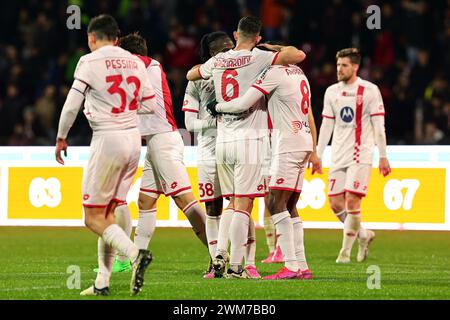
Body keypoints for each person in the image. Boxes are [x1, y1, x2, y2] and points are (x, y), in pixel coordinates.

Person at [187, 16, 306, 278]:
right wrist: (270, 50)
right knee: (244, 204)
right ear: (258, 39)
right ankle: (238, 266)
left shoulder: (218, 60)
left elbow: (191, 74)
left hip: (222, 141)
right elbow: (298, 55)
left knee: (231, 203)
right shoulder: (258, 57)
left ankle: (218, 253)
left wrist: (211, 67)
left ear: (235, 33)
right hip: (249, 140)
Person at [55, 15, 155, 296]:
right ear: (117, 37)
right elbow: (148, 105)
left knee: (92, 217)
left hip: (107, 140)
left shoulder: (89, 61)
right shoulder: (136, 61)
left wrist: (62, 136)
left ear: (91, 38)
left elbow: (72, 103)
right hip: (133, 140)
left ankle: (135, 254)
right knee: (109, 212)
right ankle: (102, 282)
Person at [212, 61, 321, 279]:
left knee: (274, 202)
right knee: (290, 206)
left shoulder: (274, 73)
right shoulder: (299, 72)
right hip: (303, 140)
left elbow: (244, 102)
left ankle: (290, 266)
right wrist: (314, 149)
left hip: (286, 143)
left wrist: (218, 107)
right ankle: (302, 265)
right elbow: (308, 112)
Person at [118, 33, 210, 273]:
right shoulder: (148, 68)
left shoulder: (146, 65)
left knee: (185, 200)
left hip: (164, 141)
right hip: (157, 143)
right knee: (145, 201)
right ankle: (134, 260)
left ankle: (219, 253)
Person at [183, 31, 260, 279]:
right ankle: (215, 259)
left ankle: (247, 262)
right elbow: (188, 122)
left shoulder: (245, 69)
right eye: (222, 50)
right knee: (213, 208)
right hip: (208, 150)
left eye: (231, 46)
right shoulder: (198, 80)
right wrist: (213, 122)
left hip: (236, 143)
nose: (229, 52)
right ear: (212, 55)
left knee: (242, 204)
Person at [316, 48, 391, 263]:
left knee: (352, 200)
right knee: (335, 204)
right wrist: (318, 154)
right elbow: (326, 125)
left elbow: (379, 126)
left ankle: (345, 253)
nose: (339, 69)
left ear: (355, 67)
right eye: (338, 65)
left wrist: (383, 155)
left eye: (344, 65)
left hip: (361, 154)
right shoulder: (331, 91)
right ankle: (364, 234)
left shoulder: (369, 90)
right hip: (338, 154)